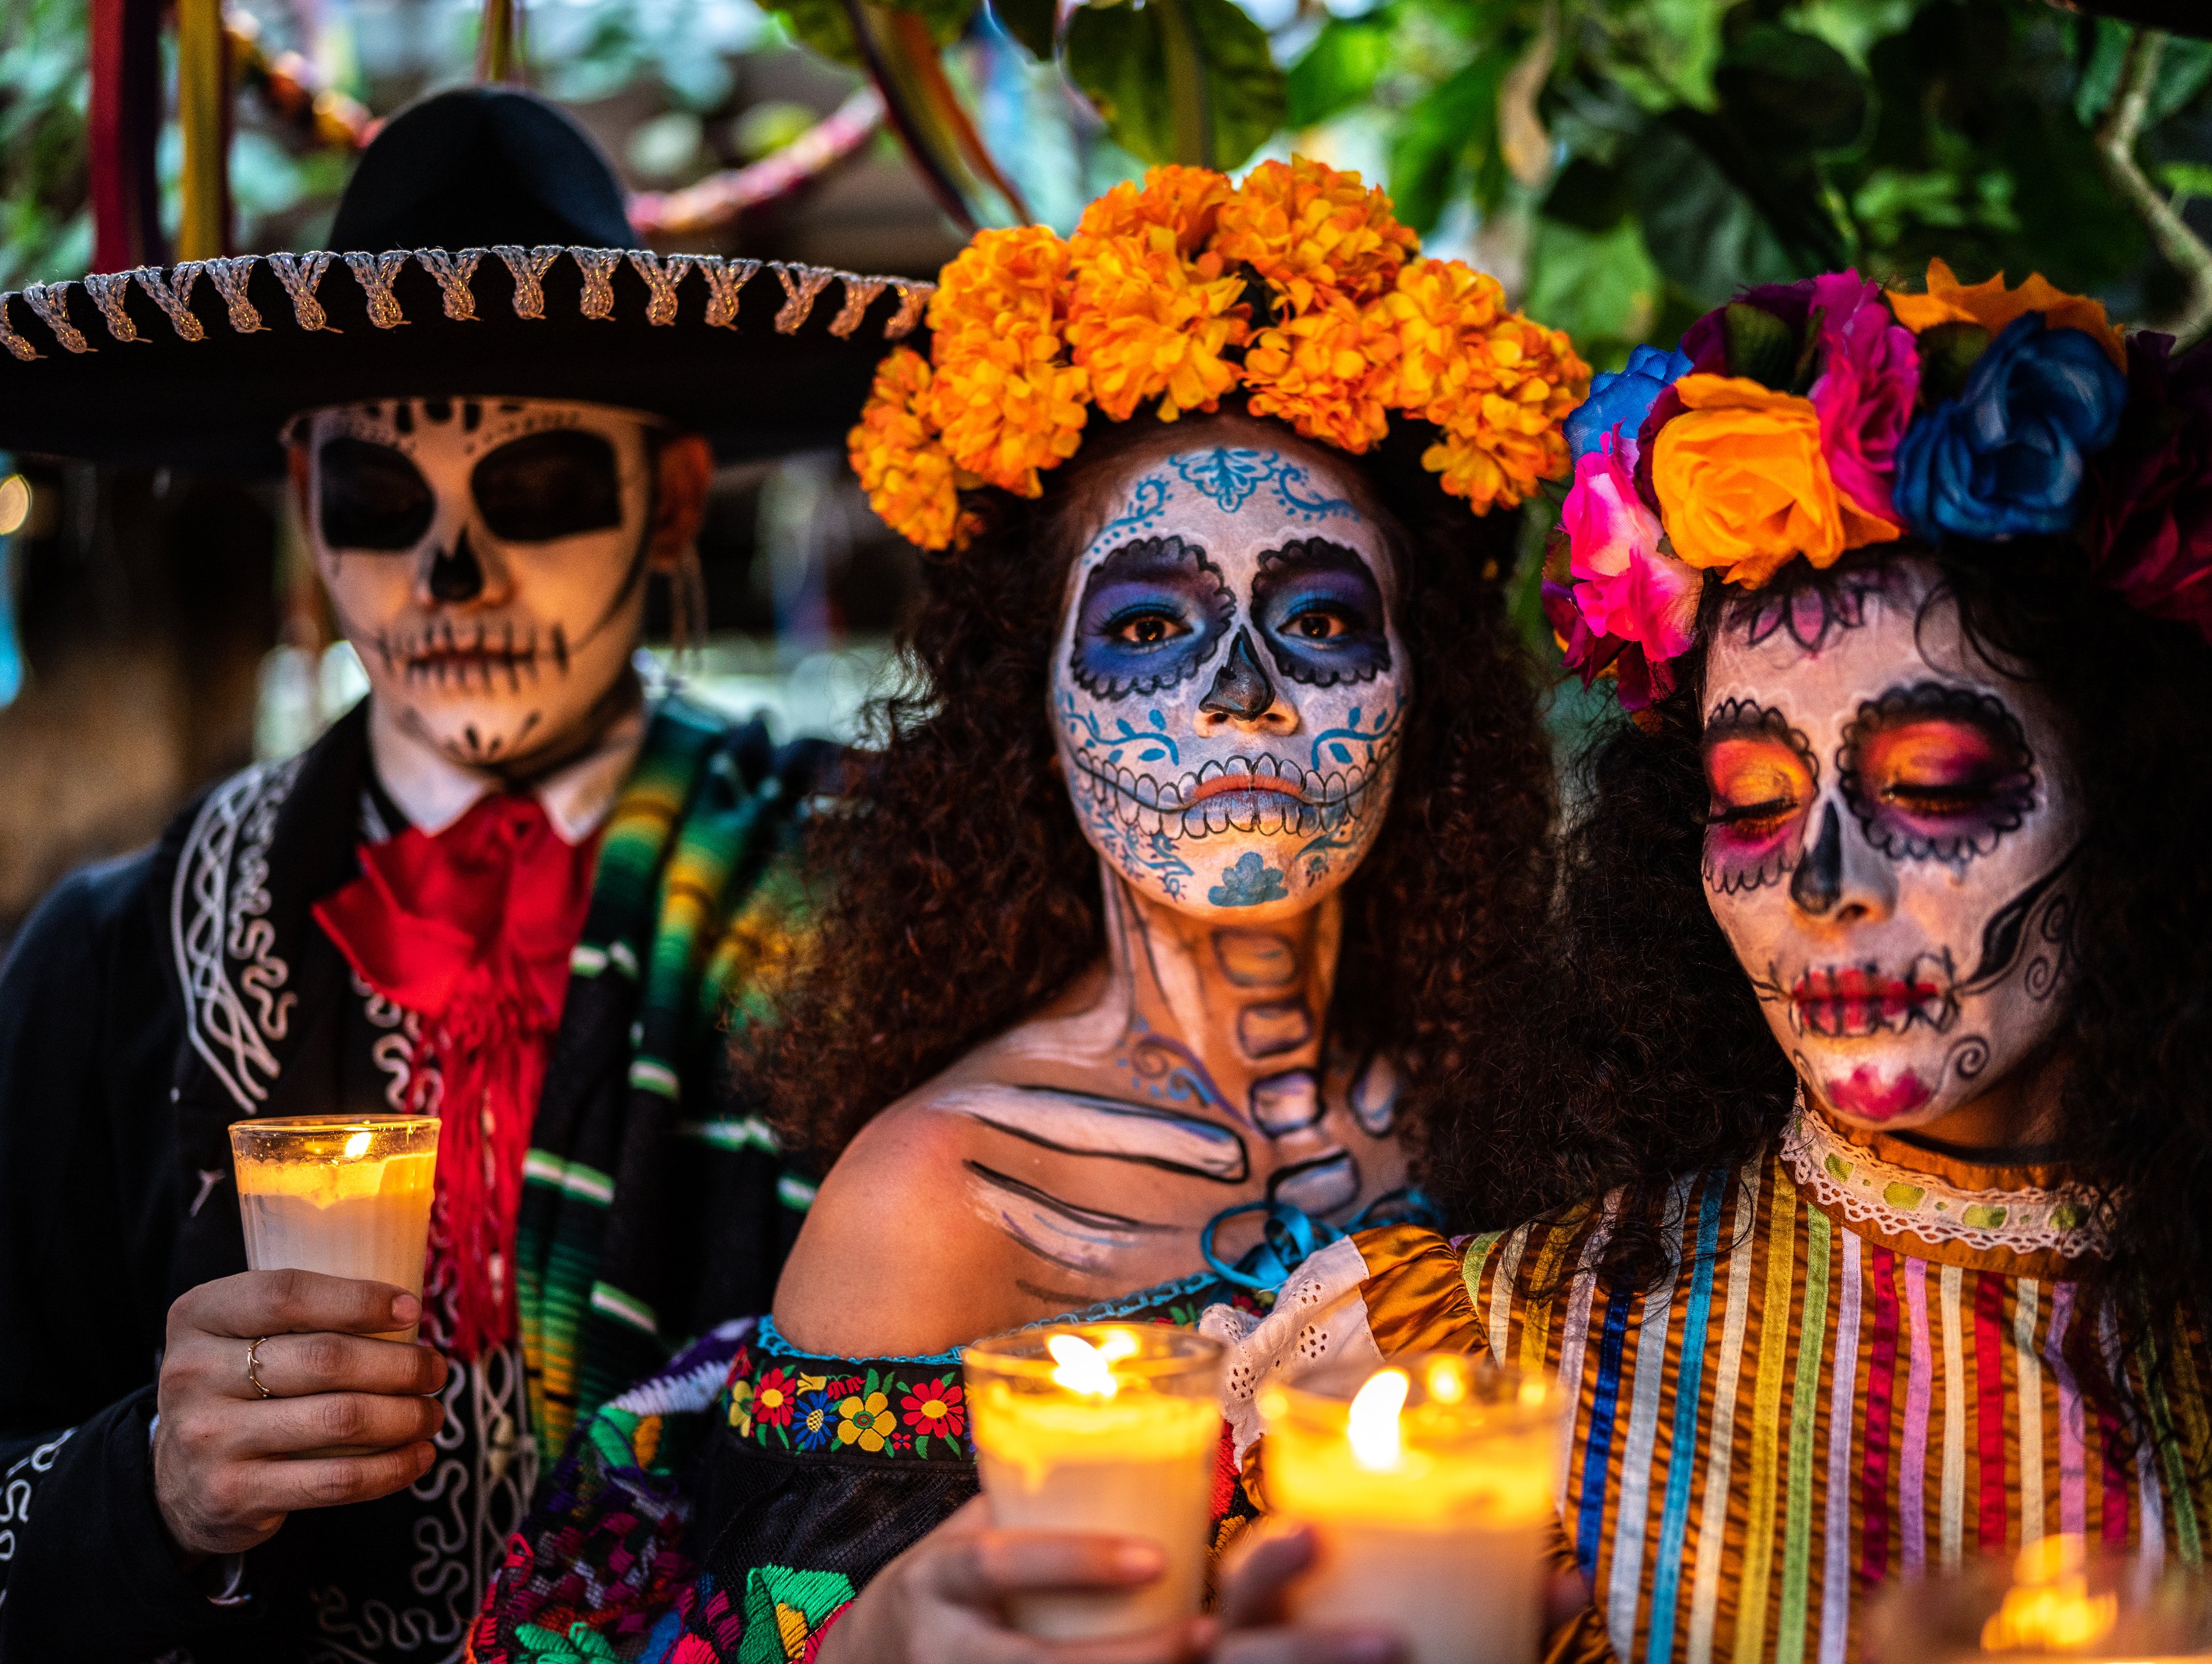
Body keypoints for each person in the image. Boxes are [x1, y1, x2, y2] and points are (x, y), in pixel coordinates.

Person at [469, 160, 1584, 1663]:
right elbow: (796, 1621)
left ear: (1424, 691)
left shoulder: (1524, 1096)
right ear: (1037, 715)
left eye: (1320, 620)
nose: (1240, 698)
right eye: (1146, 630)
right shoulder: (935, 1201)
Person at [1204, 265, 2212, 1660]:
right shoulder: (1456, 1378)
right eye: (1756, 803)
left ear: (2157, 804)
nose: (1823, 885)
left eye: (1936, 784)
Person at [0, 88, 926, 1662]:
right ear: (308, 510)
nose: (452, 573)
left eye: (535, 491)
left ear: (668, 501)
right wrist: (163, 1486)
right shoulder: (112, 958)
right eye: (382, 500)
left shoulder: (870, 908)